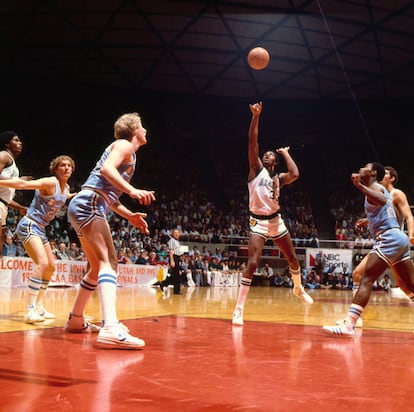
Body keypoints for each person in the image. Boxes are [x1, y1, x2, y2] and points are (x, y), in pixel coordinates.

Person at [64, 112, 155, 349]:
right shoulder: (125, 145)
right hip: (90, 203)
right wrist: (133, 191)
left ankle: (75, 320)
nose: (146, 130)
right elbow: (106, 170)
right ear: (135, 130)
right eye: (143, 126)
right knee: (109, 263)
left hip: (88, 203)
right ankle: (111, 327)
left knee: (96, 267)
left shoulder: (127, 154)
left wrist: (130, 216)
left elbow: (112, 199)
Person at [232, 101, 313, 327]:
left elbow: (295, 173)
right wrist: (255, 117)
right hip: (257, 222)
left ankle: (298, 288)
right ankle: (239, 309)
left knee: (292, 259)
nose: (266, 156)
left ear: (274, 162)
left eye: (269, 156)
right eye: (265, 154)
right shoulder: (255, 170)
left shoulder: (278, 178)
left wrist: (286, 153)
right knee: (253, 262)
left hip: (276, 221)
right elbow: (252, 142)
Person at [323, 162, 414, 336]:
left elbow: (381, 200)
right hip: (397, 238)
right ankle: (351, 321)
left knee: (366, 279)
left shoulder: (376, 188)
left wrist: (359, 186)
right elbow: (384, 208)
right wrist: (369, 221)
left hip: (388, 239)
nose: (360, 169)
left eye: (364, 167)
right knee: (409, 284)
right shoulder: (379, 188)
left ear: (372, 172)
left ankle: (349, 324)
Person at [0, 155, 76, 323]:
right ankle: (30, 310)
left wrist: (72, 195)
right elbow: (22, 184)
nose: (66, 168)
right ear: (55, 169)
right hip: (29, 224)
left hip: (41, 229)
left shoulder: (66, 188)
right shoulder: (50, 182)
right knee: (41, 263)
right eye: (62, 165)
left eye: (69, 165)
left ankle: (39, 306)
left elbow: (65, 195)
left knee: (51, 267)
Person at [0, 130, 28, 255]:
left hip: (3, 205)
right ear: (7, 144)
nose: (20, 143)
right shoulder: (3, 156)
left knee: (1, 242)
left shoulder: (11, 161)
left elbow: (4, 196)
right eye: (16, 140)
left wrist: (20, 207)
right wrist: (18, 180)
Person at [159, 228, 184, 294]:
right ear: (172, 234)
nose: (176, 234)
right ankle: (175, 290)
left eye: (177, 232)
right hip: (173, 257)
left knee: (175, 275)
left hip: (177, 258)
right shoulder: (171, 241)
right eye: (175, 232)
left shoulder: (177, 241)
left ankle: (164, 284)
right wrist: (172, 260)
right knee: (176, 275)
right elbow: (171, 251)